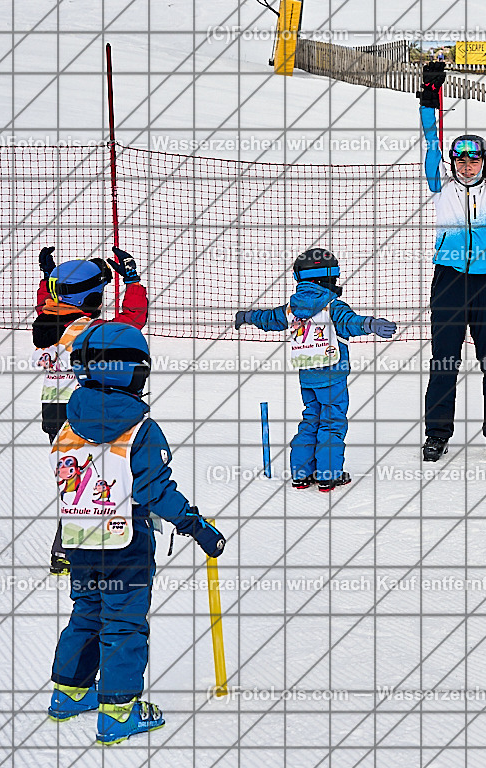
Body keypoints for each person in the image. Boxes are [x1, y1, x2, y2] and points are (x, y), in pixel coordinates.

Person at [46, 322, 225, 745]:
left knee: (87, 613)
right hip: (126, 544)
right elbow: (154, 490)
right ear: (130, 372)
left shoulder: (67, 426)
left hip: (80, 539)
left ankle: (70, 693)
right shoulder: (141, 428)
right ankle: (119, 712)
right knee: (123, 623)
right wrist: (194, 524)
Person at [416, 60, 486, 464]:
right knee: (444, 360)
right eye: (459, 161)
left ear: (483, 162)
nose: (466, 166)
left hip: (485, 283)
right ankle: (437, 434)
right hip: (447, 281)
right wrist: (430, 97)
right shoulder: (440, 187)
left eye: (473, 160)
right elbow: (429, 139)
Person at [234, 248, 397, 491]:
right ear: (329, 277)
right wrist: (370, 324)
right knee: (332, 422)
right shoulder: (333, 306)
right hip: (333, 376)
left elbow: (269, 318)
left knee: (311, 419)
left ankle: (301, 473)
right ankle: (328, 475)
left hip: (307, 377)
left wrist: (248, 317)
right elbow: (350, 323)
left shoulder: (292, 308)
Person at [32, 245, 148, 574]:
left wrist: (49, 280)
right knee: (97, 479)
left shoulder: (45, 323)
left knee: (73, 479)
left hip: (53, 413)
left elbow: (48, 302)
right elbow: (131, 322)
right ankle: (83, 549)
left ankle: (67, 550)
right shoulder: (91, 331)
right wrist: (132, 282)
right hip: (86, 409)